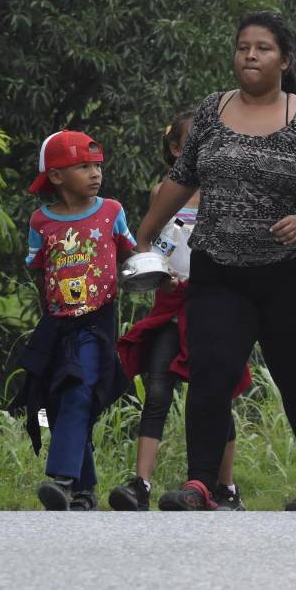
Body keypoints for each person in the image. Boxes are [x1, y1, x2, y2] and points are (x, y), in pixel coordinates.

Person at [133, 11, 296, 511]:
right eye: (243, 46)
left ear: (284, 59)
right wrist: (142, 236)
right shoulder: (212, 109)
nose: (250, 55)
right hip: (218, 270)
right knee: (211, 374)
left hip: (291, 273)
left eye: (263, 48)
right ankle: (202, 484)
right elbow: (182, 178)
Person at [111, 113, 249, 512]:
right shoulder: (162, 192)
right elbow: (150, 242)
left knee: (215, 394)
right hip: (170, 307)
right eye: (195, 142)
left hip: (212, 306)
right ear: (175, 149)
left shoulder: (227, 193)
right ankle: (141, 483)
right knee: (157, 390)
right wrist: (158, 274)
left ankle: (225, 487)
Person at [16, 130, 136, 511]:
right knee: (56, 397)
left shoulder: (111, 211)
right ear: (56, 176)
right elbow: (39, 272)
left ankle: (62, 480)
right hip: (55, 323)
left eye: (97, 166)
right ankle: (84, 492)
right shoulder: (40, 221)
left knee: (79, 388)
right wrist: (48, 316)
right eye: (83, 167)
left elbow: (131, 254)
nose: (95, 173)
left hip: (97, 321)